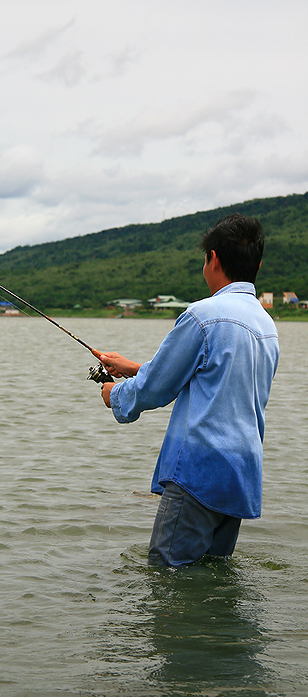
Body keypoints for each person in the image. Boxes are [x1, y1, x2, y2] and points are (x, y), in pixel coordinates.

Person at [94, 213, 279, 567]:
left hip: (199, 472)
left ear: (212, 259)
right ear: (256, 264)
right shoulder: (265, 326)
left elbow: (155, 389)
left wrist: (113, 394)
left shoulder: (201, 316)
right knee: (212, 574)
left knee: (167, 576)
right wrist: (132, 366)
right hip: (241, 475)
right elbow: (211, 379)